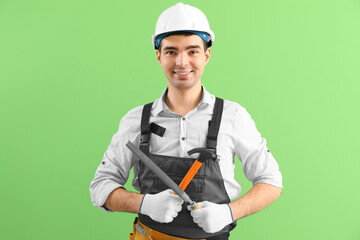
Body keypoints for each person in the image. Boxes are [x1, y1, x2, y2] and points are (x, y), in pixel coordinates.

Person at [90, 2, 283, 240]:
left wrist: (229, 212)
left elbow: (271, 181)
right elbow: (100, 187)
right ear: (159, 56)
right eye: (171, 51)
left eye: (192, 51)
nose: (182, 62)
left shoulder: (233, 117)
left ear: (206, 55)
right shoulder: (135, 120)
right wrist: (144, 204)